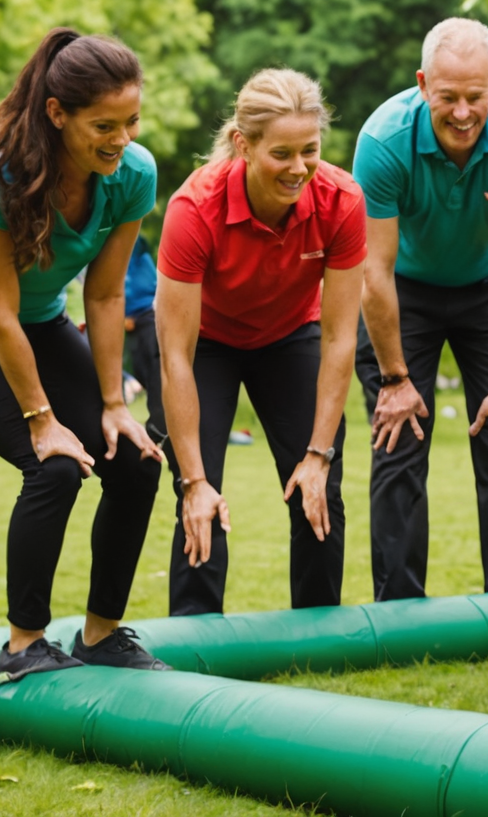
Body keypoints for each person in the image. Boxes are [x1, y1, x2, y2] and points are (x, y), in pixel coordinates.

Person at [0, 28, 166, 683]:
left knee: (133, 459)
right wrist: (43, 419)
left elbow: (104, 295)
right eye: (104, 124)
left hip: (42, 319)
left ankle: (101, 635)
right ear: (57, 113)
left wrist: (113, 405)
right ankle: (23, 645)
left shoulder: (132, 173)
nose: (121, 138)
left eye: (131, 120)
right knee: (51, 465)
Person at [350, 18, 488, 600]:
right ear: (422, 84)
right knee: (399, 438)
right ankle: (398, 603)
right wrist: (394, 379)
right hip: (403, 291)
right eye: (447, 97)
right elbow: (374, 271)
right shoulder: (384, 141)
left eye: (475, 96)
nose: (462, 112)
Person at [153, 68, 364, 615]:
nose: (299, 169)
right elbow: (174, 354)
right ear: (243, 145)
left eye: (310, 151)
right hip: (207, 345)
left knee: (318, 488)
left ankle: (319, 634)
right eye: (282, 154)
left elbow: (341, 338)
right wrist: (193, 480)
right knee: (201, 492)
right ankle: (195, 634)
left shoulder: (341, 201)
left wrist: (319, 455)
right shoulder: (193, 210)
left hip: (291, 335)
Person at [122, 234, 163, 445]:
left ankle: (158, 428)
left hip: (147, 317)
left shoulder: (136, 248)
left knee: (156, 375)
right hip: (132, 324)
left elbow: (139, 284)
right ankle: (158, 427)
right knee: (140, 372)